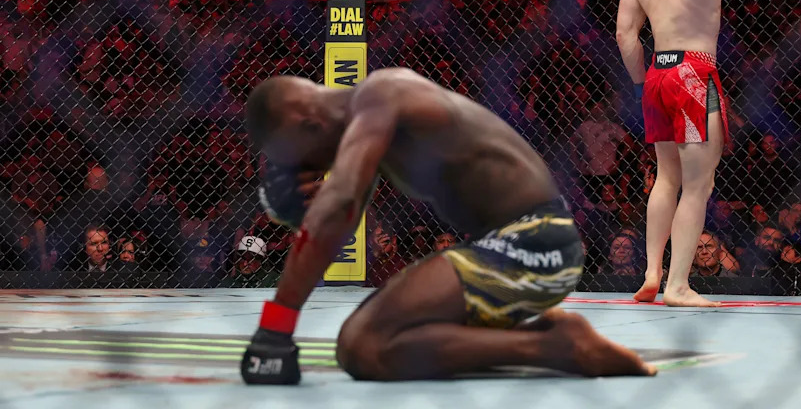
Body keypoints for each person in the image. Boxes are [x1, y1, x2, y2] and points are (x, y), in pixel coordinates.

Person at [240, 71, 656, 384]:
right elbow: (338, 220)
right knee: (368, 343)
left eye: (299, 158)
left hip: (535, 241)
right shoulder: (367, 126)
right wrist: (302, 216)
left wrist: (275, 328)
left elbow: (341, 202)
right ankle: (550, 339)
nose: (309, 171)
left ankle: (557, 347)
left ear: (309, 124)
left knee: (363, 347)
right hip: (507, 247)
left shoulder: (382, 95)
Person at [615, 0, 767, 307]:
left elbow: (625, 36)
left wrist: (643, 82)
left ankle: (654, 272)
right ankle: (679, 285)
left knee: (666, 177)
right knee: (698, 185)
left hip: (658, 74)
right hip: (693, 73)